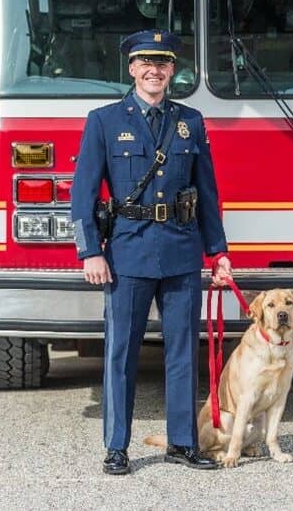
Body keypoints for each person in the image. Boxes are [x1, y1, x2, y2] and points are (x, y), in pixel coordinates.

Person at [71, 30, 233, 475]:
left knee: (183, 353)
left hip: (181, 252)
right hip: (127, 253)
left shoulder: (191, 121)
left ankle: (182, 443)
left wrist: (218, 252)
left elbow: (207, 192)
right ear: (131, 68)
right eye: (145, 63)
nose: (154, 71)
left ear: (172, 71)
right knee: (121, 353)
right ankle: (116, 446)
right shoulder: (103, 120)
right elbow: (81, 193)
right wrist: (90, 252)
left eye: (162, 63)